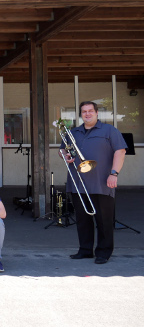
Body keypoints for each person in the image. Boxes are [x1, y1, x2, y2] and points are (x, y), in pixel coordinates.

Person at [60, 101, 127, 264]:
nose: (87, 114)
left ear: (97, 113)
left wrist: (114, 173)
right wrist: (64, 155)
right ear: (81, 114)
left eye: (90, 111)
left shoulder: (109, 130)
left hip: (102, 182)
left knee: (104, 220)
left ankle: (103, 252)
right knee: (83, 219)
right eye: (84, 112)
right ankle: (85, 250)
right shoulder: (73, 132)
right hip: (78, 182)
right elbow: (63, 150)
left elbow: (120, 151)